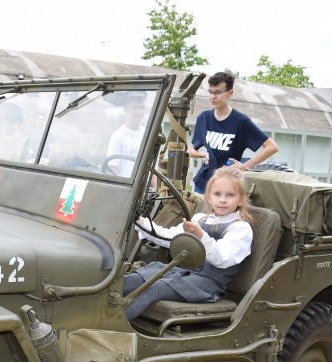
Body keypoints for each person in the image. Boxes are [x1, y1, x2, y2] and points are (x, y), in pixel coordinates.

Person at [123, 166, 254, 321]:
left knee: (153, 288)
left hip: (207, 284)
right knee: (129, 281)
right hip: (181, 273)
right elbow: (170, 238)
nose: (223, 200)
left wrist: (200, 235)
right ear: (209, 198)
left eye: (230, 195)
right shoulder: (200, 219)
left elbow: (222, 259)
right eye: (217, 194)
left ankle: (113, 327)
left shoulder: (240, 228)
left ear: (241, 199)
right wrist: (139, 221)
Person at [187, 71, 279, 194]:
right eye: (210, 92)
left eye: (218, 92)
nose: (213, 97)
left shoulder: (241, 121)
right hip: (203, 183)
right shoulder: (203, 118)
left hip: (228, 186)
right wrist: (204, 155)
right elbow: (191, 150)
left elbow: (272, 147)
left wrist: (243, 167)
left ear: (230, 93)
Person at [107, 92, 147, 177]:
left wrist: (155, 188)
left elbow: (151, 166)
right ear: (125, 109)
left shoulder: (147, 134)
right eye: (135, 108)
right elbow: (113, 169)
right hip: (126, 188)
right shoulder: (118, 136)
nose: (139, 112)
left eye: (142, 107)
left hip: (145, 188)